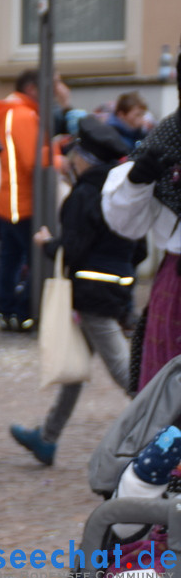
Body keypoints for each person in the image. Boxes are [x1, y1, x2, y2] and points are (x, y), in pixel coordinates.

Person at [10, 116, 135, 465]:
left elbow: (76, 248)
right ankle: (47, 437)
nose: (71, 159)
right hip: (115, 286)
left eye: (75, 153)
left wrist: (48, 244)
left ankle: (167, 423)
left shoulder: (84, 193)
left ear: (85, 158)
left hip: (92, 291)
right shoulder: (119, 190)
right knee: (75, 367)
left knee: (124, 371)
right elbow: (138, 248)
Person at [102, 57, 181, 392]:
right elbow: (126, 224)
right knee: (168, 409)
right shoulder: (170, 134)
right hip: (177, 289)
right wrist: (138, 180)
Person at [0, 69, 45, 332]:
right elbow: (35, 161)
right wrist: (57, 158)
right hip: (21, 201)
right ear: (33, 87)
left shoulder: (8, 111)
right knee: (36, 258)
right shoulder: (22, 115)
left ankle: (6, 310)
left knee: (10, 260)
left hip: (7, 198)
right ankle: (22, 313)